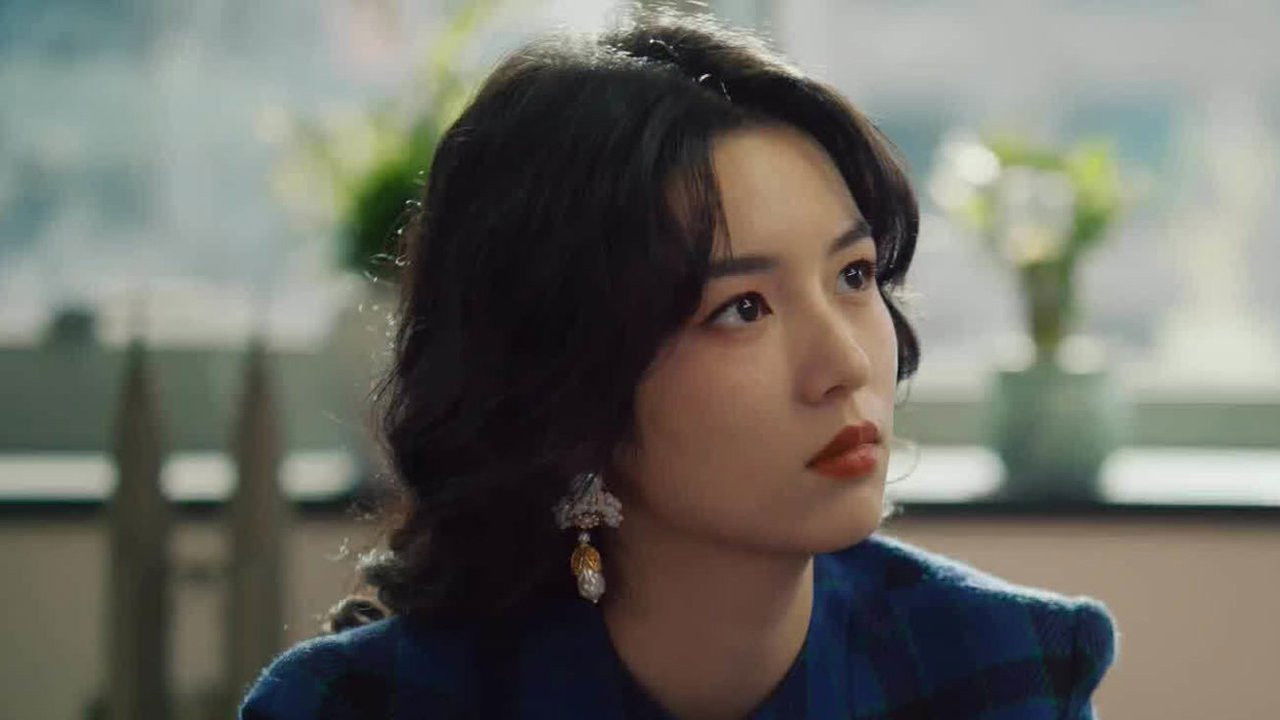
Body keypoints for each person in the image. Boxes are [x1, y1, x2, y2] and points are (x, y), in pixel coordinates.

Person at [239, 8, 1118, 719]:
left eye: (854, 276)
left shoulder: (1002, 672)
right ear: (565, 383)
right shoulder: (358, 705)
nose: (847, 362)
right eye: (743, 308)